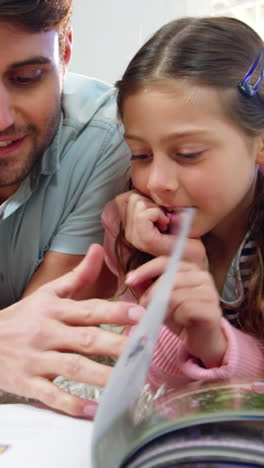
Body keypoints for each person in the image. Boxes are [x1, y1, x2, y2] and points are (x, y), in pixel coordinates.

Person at [102, 16, 264, 389]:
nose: (156, 183)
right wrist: (165, 273)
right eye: (140, 154)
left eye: (188, 154)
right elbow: (150, 384)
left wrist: (217, 345)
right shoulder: (133, 228)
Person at [0, 0, 137, 416]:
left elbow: (39, 338)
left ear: (65, 52)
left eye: (25, 78)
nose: (1, 119)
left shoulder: (107, 137)